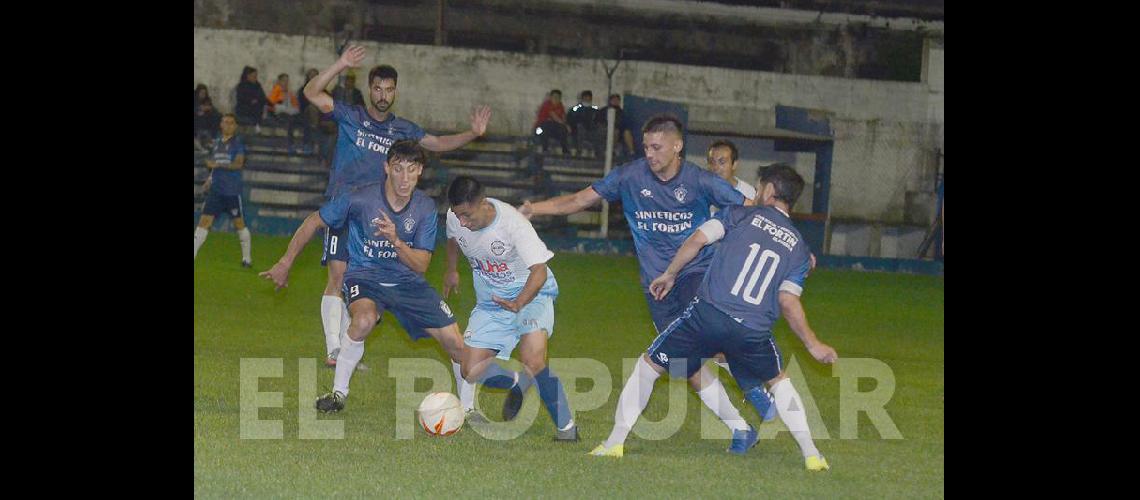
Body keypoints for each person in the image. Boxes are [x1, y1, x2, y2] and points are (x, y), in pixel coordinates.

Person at [519, 114, 752, 443]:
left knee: (704, 335)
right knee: (689, 367)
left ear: (677, 146)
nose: (650, 154)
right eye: (646, 147)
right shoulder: (629, 176)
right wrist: (535, 209)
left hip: (695, 272)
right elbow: (579, 200)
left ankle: (755, 380)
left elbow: (751, 207)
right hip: (655, 285)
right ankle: (741, 429)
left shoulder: (699, 180)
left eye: (657, 147)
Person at [589, 164, 837, 472]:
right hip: (753, 329)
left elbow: (697, 240)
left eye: (759, 187)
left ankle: (614, 443)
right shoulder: (799, 249)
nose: (755, 193)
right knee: (778, 380)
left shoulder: (739, 214)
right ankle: (812, 454)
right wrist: (813, 344)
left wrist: (669, 274)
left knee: (648, 366)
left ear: (770, 191)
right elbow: (788, 300)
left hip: (708, 316)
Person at [259, 141, 523, 413]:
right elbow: (315, 220)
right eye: (398, 169)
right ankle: (338, 394)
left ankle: (467, 410)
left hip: (408, 282)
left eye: (411, 170)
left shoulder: (425, 208)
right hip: (365, 277)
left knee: (457, 345)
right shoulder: (360, 199)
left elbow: (421, 264)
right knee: (363, 320)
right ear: (386, 167)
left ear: (420, 170)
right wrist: (285, 261)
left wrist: (396, 241)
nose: (404, 178)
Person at [302, 43, 492, 384]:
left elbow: (435, 143)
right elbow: (312, 92)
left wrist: (472, 134)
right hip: (347, 210)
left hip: (383, 215)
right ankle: (334, 349)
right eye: (377, 88)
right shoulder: (351, 116)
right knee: (339, 277)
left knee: (366, 286)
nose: (383, 95)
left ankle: (346, 347)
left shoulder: (403, 129)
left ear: (395, 93)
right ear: (369, 89)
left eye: (389, 90)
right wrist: (341, 63)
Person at [443, 175, 579, 440]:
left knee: (534, 359)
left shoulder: (513, 224)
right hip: (492, 303)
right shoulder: (455, 219)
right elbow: (452, 239)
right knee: (469, 370)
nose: (463, 222)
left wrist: (519, 303)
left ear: (482, 203)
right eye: (458, 215)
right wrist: (451, 270)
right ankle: (519, 381)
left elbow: (539, 271)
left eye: (467, 215)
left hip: (532, 295)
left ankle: (567, 430)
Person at [194, 113, 252, 267]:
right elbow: (213, 166)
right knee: (204, 222)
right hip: (216, 191)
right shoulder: (216, 143)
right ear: (221, 124)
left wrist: (218, 166)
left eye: (231, 123)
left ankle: (247, 258)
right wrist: (209, 180)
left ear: (235, 126)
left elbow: (238, 164)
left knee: (239, 224)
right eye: (225, 122)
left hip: (231, 192)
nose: (227, 125)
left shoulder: (237, 144)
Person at [268, 73, 303, 154]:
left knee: (304, 119)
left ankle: (306, 144)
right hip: (279, 114)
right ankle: (290, 145)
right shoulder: (275, 91)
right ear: (279, 81)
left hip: (291, 113)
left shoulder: (289, 93)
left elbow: (296, 106)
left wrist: (294, 109)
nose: (286, 83)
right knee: (290, 121)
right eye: (284, 81)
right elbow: (272, 105)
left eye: (287, 81)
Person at [596, 94, 635, 159]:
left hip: (619, 131)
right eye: (614, 100)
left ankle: (632, 152)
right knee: (615, 131)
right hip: (605, 130)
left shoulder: (622, 113)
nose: (615, 101)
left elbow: (625, 123)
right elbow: (598, 122)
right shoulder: (603, 111)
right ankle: (610, 150)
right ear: (610, 101)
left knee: (627, 132)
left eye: (617, 100)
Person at [533, 89, 570, 155]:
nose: (556, 99)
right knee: (546, 126)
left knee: (563, 130)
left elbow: (563, 117)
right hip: (541, 128)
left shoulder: (560, 105)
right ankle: (545, 149)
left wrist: (567, 125)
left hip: (553, 128)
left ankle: (565, 150)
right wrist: (565, 125)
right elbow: (554, 116)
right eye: (554, 97)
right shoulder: (547, 104)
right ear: (551, 97)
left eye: (558, 97)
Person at [234, 66, 268, 132]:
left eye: (256, 76)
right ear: (248, 76)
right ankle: (257, 125)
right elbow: (240, 99)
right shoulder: (241, 86)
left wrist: (258, 100)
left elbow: (263, 97)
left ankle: (257, 124)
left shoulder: (258, 85)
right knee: (256, 108)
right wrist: (250, 101)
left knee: (260, 107)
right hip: (243, 108)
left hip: (256, 106)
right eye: (254, 76)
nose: (255, 78)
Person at [566, 90, 600, 157]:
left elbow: (598, 120)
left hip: (592, 128)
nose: (587, 99)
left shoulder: (595, 109)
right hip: (577, 129)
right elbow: (569, 119)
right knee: (580, 129)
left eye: (589, 97)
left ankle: (595, 151)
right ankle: (580, 150)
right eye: (585, 97)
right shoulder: (576, 109)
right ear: (582, 98)